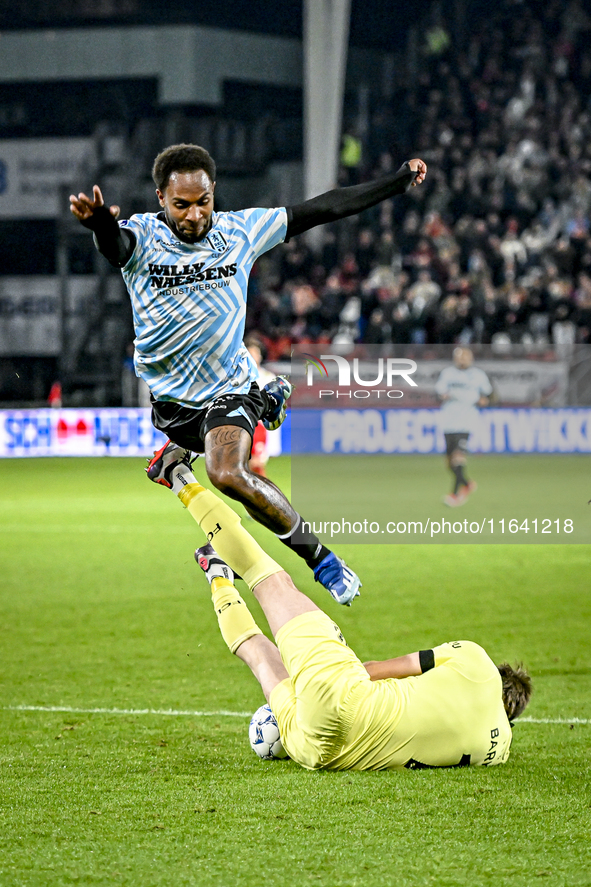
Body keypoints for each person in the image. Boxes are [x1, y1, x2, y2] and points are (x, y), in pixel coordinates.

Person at [69, 144, 427, 603]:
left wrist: (395, 182)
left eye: (203, 201)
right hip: (173, 405)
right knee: (207, 446)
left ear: (214, 192)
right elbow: (114, 245)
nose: (195, 215)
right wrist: (100, 223)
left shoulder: (241, 229)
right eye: (181, 204)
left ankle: (322, 560)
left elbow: (322, 208)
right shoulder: (141, 238)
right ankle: (255, 406)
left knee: (227, 474)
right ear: (161, 198)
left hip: (228, 389)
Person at [166, 454, 532, 771]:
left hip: (342, 699)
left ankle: (176, 475)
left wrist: (329, 663)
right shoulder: (497, 751)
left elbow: (376, 671)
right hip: (317, 753)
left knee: (270, 580)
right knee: (260, 658)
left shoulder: (478, 664)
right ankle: (217, 574)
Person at [435, 347, 493, 507]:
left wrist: (485, 401)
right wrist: (442, 395)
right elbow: (439, 392)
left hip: (467, 421)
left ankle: (455, 494)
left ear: (471, 358)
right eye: (459, 357)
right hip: (449, 421)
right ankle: (466, 483)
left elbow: (488, 395)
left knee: (458, 456)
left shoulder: (478, 375)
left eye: (465, 357)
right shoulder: (447, 374)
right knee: (449, 462)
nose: (462, 360)